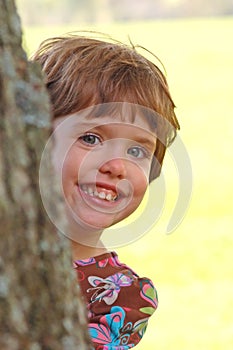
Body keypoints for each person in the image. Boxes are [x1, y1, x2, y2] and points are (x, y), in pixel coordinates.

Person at [32, 33, 180, 349]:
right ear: (31, 139)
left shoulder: (121, 299)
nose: (116, 166)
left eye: (137, 152)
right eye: (91, 139)